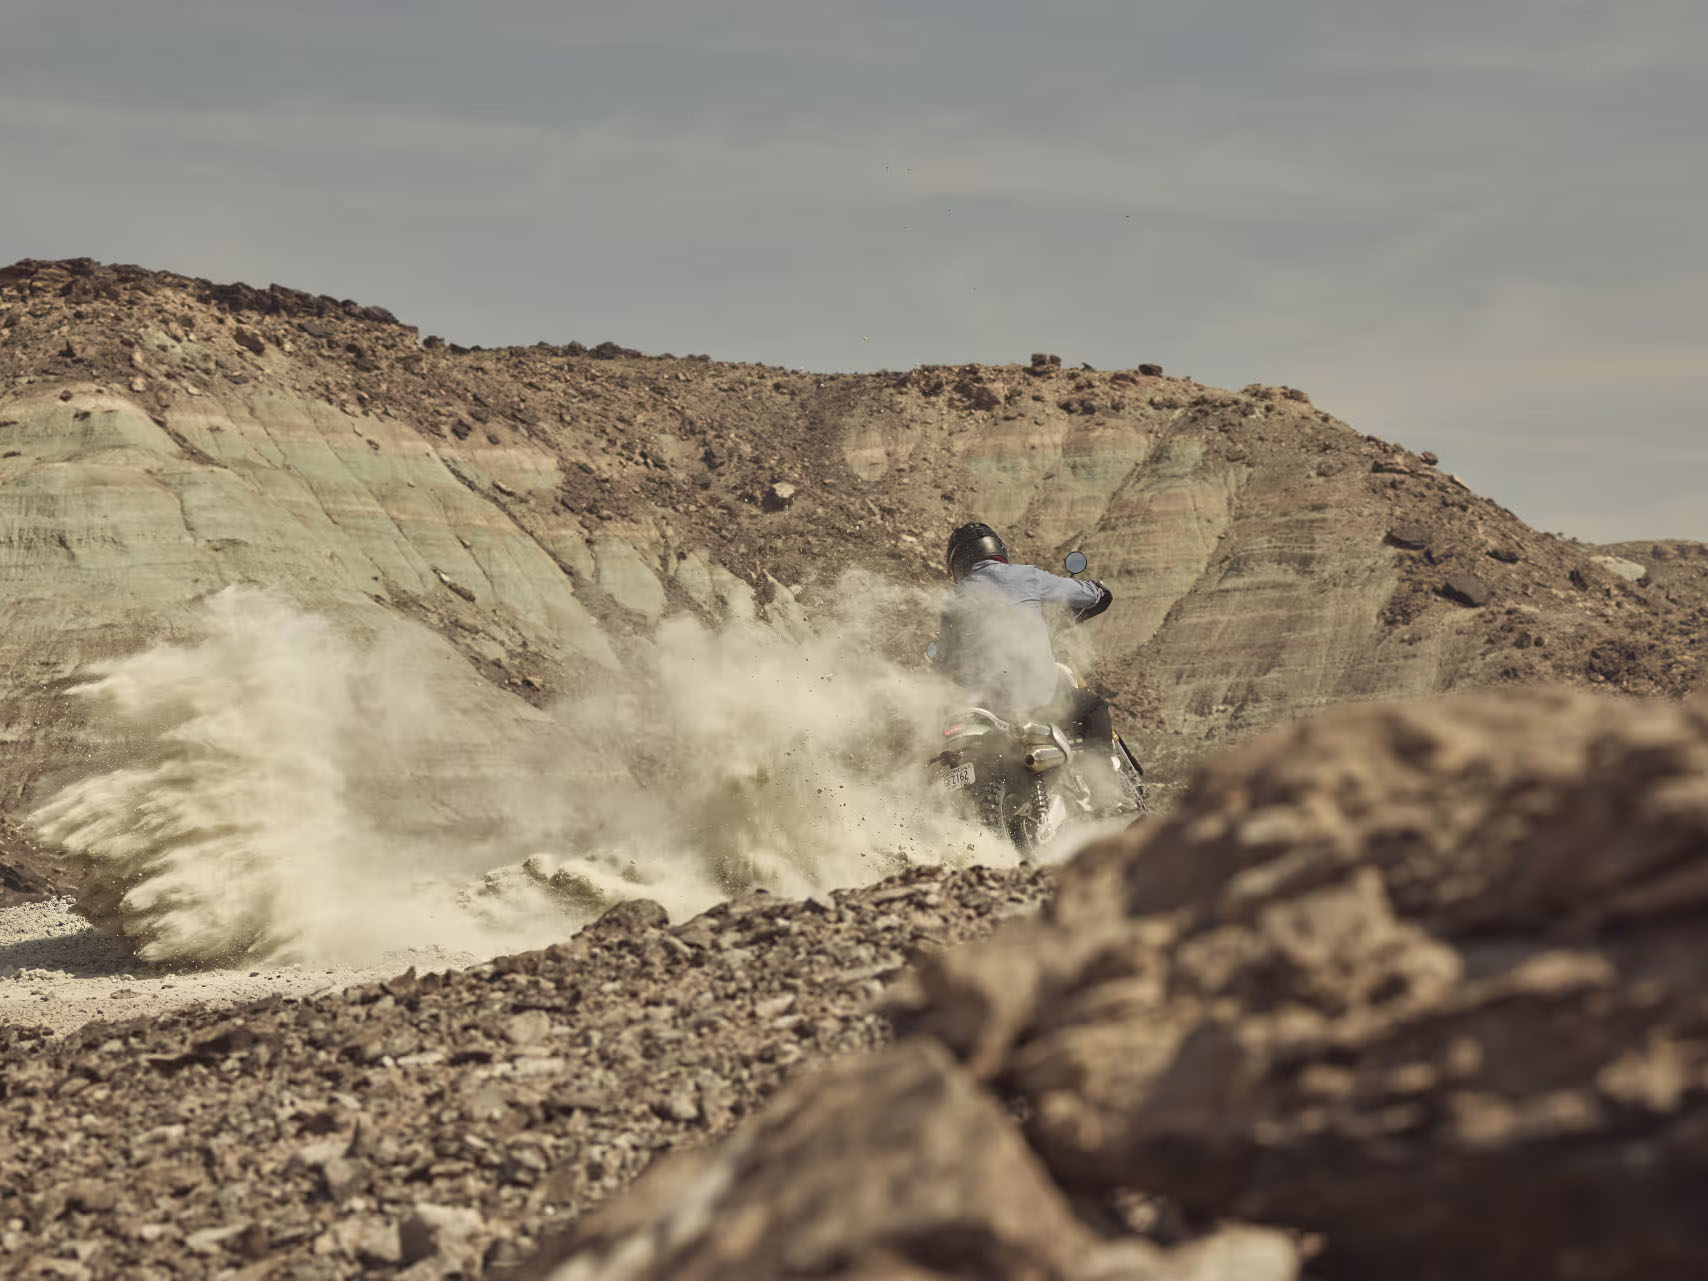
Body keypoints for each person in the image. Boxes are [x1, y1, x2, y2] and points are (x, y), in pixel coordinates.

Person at [934, 521, 1118, 756]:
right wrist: (1098, 590)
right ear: (997, 550)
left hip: (992, 711)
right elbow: (1085, 594)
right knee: (1094, 708)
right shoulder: (1026, 576)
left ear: (957, 563)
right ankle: (1105, 786)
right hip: (1039, 701)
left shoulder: (953, 601)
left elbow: (944, 664)